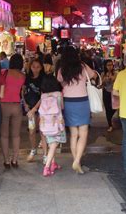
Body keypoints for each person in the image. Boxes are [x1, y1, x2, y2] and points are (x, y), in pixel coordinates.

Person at [57, 46, 97, 174]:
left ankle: (76, 161)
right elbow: (93, 75)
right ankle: (76, 161)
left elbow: (59, 81)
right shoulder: (83, 66)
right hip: (82, 101)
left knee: (73, 134)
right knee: (83, 133)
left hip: (68, 102)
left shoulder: (62, 69)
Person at [0, 54, 25, 169]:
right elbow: (23, 93)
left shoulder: (3, 73)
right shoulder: (22, 76)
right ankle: (15, 160)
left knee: (4, 136)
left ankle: (6, 160)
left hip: (3, 106)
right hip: (16, 106)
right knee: (16, 135)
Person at [38, 74, 66, 177]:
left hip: (46, 124)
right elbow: (62, 107)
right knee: (54, 144)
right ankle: (47, 167)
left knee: (51, 144)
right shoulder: (58, 94)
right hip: (57, 123)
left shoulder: (43, 96)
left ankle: (53, 164)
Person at [23, 58, 47, 162]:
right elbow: (22, 92)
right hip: (29, 108)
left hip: (42, 108)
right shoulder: (27, 78)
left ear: (41, 67)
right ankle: (33, 150)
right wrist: (25, 104)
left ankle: (45, 154)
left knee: (42, 131)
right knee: (32, 131)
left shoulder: (44, 79)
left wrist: (34, 108)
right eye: (33, 67)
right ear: (30, 67)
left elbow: (43, 96)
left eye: (38, 67)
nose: (35, 69)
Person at [101, 59, 117, 133]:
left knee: (114, 108)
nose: (110, 67)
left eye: (111, 65)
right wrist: (105, 79)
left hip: (114, 93)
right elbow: (101, 84)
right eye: (108, 65)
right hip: (106, 92)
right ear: (105, 66)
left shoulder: (116, 73)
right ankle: (110, 125)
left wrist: (113, 79)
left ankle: (111, 120)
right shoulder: (103, 74)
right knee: (107, 109)